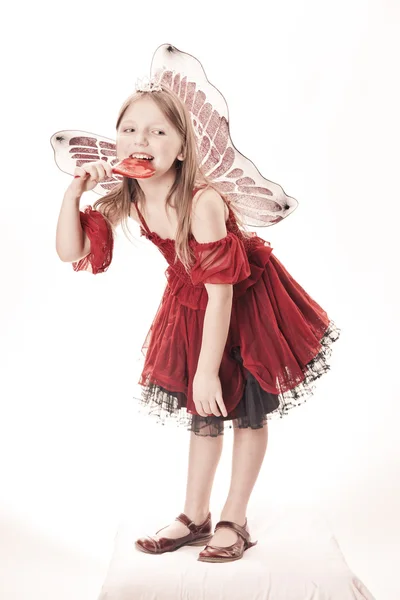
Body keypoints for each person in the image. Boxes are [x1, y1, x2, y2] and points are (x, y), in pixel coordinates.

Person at [55, 84, 341, 563]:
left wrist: (208, 368)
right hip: (194, 302)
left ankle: (235, 518)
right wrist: (73, 193)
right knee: (203, 412)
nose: (139, 138)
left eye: (156, 130)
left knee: (247, 403)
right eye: (129, 129)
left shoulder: (201, 202)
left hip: (243, 300)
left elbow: (223, 294)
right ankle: (194, 515)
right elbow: (71, 252)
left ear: (182, 148)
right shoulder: (130, 195)